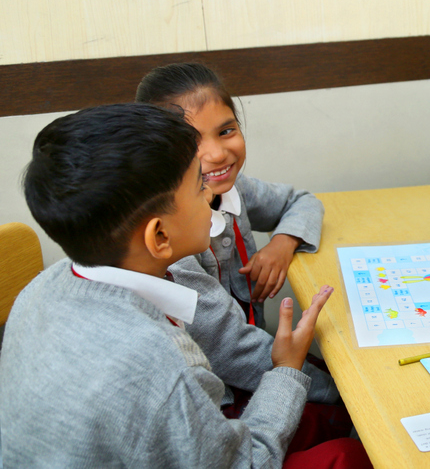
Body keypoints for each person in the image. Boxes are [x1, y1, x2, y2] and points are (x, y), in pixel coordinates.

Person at [0, 103, 370, 468]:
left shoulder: (41, 287)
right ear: (160, 236)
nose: (211, 199)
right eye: (199, 190)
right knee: (351, 455)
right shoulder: (167, 366)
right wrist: (286, 369)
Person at [137, 62, 325, 330]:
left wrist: (283, 243)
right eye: (190, 141)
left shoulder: (237, 188)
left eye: (226, 131)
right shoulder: (170, 239)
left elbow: (302, 201)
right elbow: (223, 345)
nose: (217, 154)